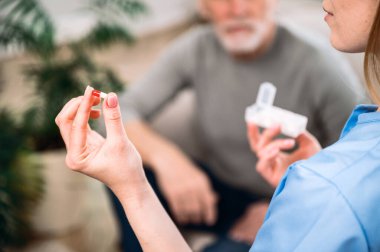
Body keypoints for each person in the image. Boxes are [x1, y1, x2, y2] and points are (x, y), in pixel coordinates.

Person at [55, 0, 380, 250]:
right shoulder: (196, 47)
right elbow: (126, 109)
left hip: (287, 196)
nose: (236, 10)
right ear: (203, 6)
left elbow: (352, 169)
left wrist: (276, 207)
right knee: (127, 169)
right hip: (219, 192)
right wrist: (171, 162)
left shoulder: (318, 64)